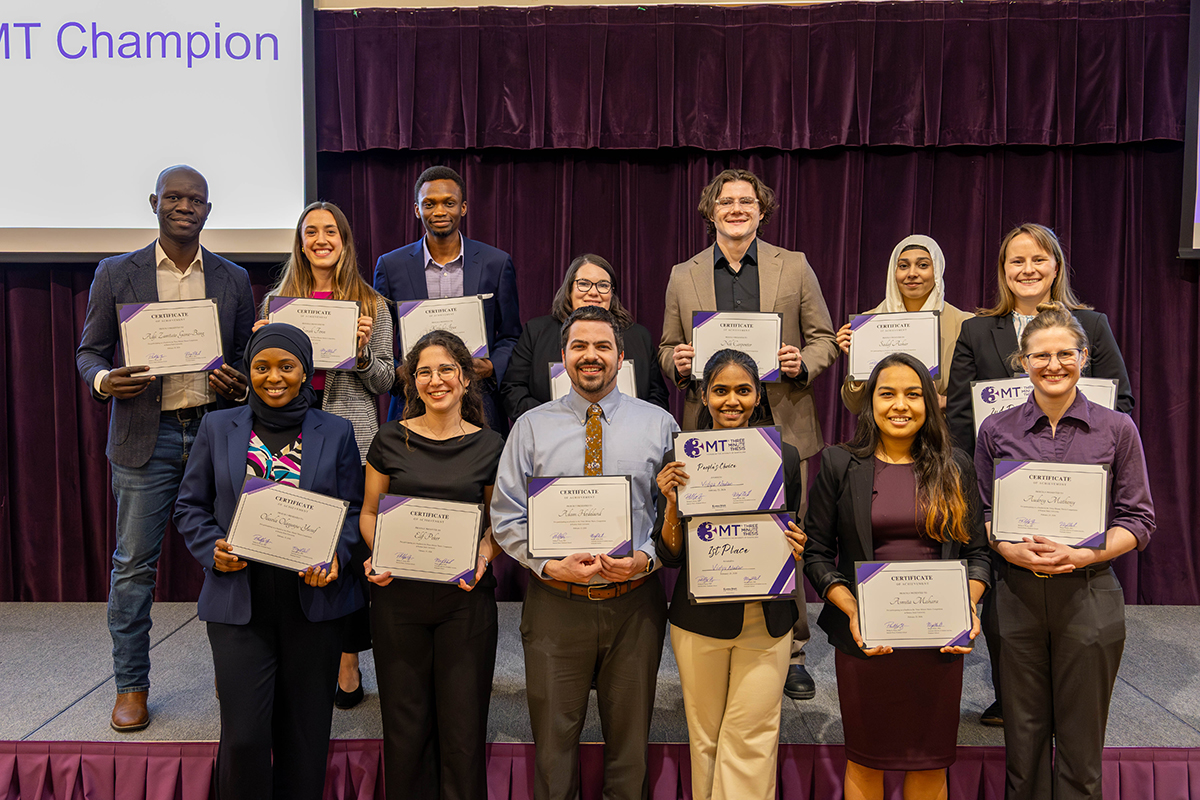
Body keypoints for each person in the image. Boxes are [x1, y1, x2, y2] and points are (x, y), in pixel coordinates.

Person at [75, 165, 255, 731]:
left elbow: (250, 358)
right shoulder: (114, 273)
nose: (185, 206)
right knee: (133, 568)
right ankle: (131, 685)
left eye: (195, 199)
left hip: (214, 435)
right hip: (143, 441)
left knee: (229, 560)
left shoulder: (232, 279)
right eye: (174, 197)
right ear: (154, 202)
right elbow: (89, 352)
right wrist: (106, 381)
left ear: (208, 208)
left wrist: (241, 380)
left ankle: (233, 676)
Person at [659, 167, 839, 700]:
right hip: (712, 428)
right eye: (726, 202)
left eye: (746, 202)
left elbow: (825, 339)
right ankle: (716, 639)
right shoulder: (681, 274)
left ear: (762, 211)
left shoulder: (795, 266)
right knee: (720, 533)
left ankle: (793, 649)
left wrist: (798, 361)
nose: (736, 210)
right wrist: (680, 360)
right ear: (710, 211)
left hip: (783, 422)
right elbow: (667, 348)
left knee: (786, 535)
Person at [944, 223, 1134, 727]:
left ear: (1056, 266)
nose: (1027, 270)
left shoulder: (1092, 324)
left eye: (1038, 260)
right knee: (1011, 593)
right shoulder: (976, 331)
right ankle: (1013, 695)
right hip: (1004, 487)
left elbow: (1122, 401)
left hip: (1077, 489)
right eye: (1015, 262)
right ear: (1003, 272)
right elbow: (961, 417)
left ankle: (1066, 694)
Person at [492, 305, 679, 800]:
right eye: (579, 346)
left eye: (602, 347)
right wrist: (548, 564)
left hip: (634, 605)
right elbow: (506, 516)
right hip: (556, 605)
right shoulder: (530, 427)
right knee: (553, 754)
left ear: (621, 358)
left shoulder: (660, 425)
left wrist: (647, 558)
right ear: (563, 356)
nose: (590, 356)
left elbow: (675, 510)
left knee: (630, 752)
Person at [174, 323, 365, 800]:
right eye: (261, 367)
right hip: (240, 603)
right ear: (249, 371)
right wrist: (211, 547)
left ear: (305, 373)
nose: (273, 376)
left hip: (314, 603)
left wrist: (337, 556)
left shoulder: (336, 430)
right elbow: (189, 505)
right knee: (244, 738)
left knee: (305, 739)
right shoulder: (219, 427)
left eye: (286, 366)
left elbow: (354, 509)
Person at [975, 302, 1153, 800]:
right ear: (1022, 362)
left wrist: (1085, 556)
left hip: (1090, 594)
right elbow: (984, 515)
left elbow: (1139, 520)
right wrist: (1009, 549)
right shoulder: (996, 431)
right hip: (1016, 596)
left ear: (1084, 355)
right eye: (1040, 356)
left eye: (1065, 354)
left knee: (1080, 754)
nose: (1053, 365)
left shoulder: (1117, 430)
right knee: (1023, 750)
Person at [803, 352, 990, 800]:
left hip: (938, 640)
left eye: (913, 394)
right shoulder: (838, 464)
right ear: (871, 402)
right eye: (887, 394)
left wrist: (967, 606)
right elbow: (816, 554)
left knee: (929, 762)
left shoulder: (956, 465)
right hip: (866, 639)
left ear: (929, 403)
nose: (900, 405)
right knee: (867, 761)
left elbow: (978, 554)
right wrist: (853, 611)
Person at [652, 349, 808, 800]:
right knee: (704, 739)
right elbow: (672, 554)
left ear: (758, 395)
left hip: (767, 618)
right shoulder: (679, 460)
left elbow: (794, 533)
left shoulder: (786, 457)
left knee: (753, 738)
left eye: (743, 390)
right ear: (703, 394)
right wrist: (671, 506)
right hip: (698, 620)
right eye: (720, 390)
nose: (732, 400)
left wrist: (796, 546)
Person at [258, 200, 395, 709]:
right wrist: (260, 347)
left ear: (344, 240)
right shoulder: (276, 302)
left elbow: (386, 379)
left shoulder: (372, 303)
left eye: (330, 231)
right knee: (292, 543)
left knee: (349, 553)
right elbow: (262, 374)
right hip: (286, 440)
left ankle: (347, 657)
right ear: (300, 241)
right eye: (311, 231)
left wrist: (360, 352)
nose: (321, 239)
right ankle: (293, 653)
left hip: (350, 439)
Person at [359, 330, 505, 800]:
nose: (435, 379)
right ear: (411, 381)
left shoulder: (490, 445)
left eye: (446, 370)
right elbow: (368, 513)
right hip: (397, 598)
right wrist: (378, 553)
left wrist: (484, 557)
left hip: (465, 601)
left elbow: (499, 524)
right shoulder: (389, 439)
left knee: (462, 732)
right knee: (405, 729)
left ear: (465, 379)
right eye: (424, 371)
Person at [374, 165, 522, 432]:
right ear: (417, 209)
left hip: (479, 402)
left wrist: (490, 366)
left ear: (463, 207)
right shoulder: (390, 266)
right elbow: (380, 340)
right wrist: (401, 372)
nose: (439, 212)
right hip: (413, 402)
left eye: (449, 203)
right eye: (429, 204)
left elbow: (511, 335)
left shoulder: (496, 263)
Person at [500, 253, 669, 418]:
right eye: (584, 284)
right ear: (569, 289)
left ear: (612, 293)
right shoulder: (536, 332)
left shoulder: (639, 336)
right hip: (552, 439)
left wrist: (636, 423)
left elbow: (657, 395)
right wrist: (551, 419)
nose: (593, 292)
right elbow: (513, 390)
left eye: (603, 285)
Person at [837, 235, 973, 412]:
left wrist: (944, 402)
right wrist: (857, 365)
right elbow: (855, 406)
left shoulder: (965, 324)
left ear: (938, 270)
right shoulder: (867, 323)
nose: (912, 273)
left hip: (942, 433)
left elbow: (979, 397)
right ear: (893, 271)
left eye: (923, 265)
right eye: (903, 266)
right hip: (885, 431)